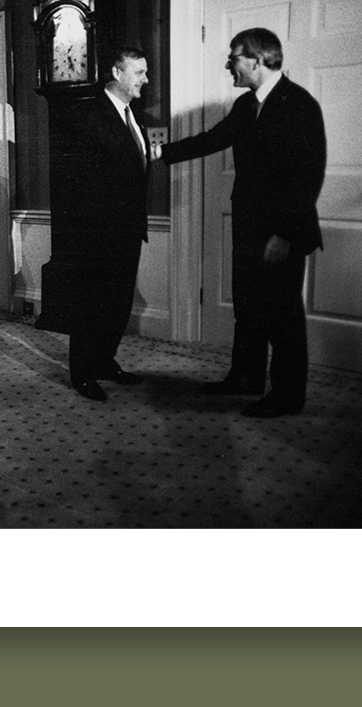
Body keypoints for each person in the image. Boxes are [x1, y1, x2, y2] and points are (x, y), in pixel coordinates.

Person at [153, 27, 326, 417]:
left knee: (282, 314)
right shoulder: (247, 105)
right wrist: (161, 152)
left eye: (232, 57)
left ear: (256, 59)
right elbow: (214, 139)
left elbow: (307, 175)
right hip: (248, 225)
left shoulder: (299, 104)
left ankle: (287, 395)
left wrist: (283, 234)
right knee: (247, 306)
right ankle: (245, 377)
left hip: (282, 231)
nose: (228, 65)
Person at [63, 48, 152, 403]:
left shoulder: (135, 116)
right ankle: (82, 372)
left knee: (118, 302)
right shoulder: (87, 115)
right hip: (97, 233)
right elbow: (76, 182)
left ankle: (103, 361)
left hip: (129, 229)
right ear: (117, 71)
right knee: (91, 304)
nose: (145, 79)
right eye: (140, 72)